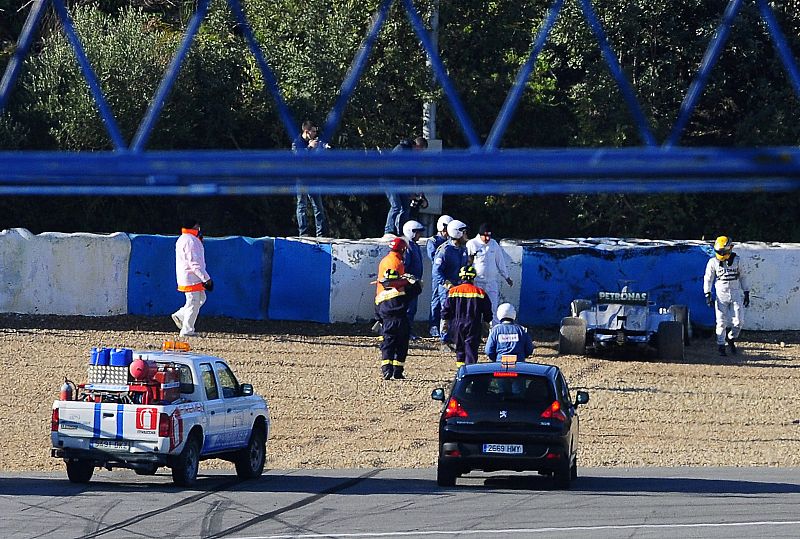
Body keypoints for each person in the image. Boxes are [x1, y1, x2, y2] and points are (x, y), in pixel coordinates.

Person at [704, 236, 750, 356]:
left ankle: (731, 337)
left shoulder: (738, 260)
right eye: (719, 251)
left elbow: (743, 276)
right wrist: (707, 293)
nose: (721, 254)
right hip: (720, 293)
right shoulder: (713, 262)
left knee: (739, 322)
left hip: (735, 292)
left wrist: (746, 292)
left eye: (723, 251)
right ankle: (721, 345)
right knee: (721, 322)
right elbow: (708, 279)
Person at [441, 265, 493, 368]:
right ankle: (471, 373)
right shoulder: (480, 292)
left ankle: (461, 373)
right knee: (471, 349)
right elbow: (487, 310)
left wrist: (445, 322)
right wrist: (487, 322)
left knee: (460, 349)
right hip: (474, 324)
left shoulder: (453, 291)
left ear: (461, 277)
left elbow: (446, 309)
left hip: (457, 324)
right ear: (473, 277)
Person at [375, 268, 422, 380]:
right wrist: (412, 280)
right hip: (402, 321)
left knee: (387, 346)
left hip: (387, 323)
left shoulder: (379, 297)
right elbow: (417, 290)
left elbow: (377, 315)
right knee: (401, 346)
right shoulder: (402, 292)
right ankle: (398, 371)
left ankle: (387, 370)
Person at [171, 218, 213, 338]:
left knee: (200, 298)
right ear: (193, 227)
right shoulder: (191, 241)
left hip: (190, 276)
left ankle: (180, 315)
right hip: (192, 277)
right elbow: (194, 263)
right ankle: (187, 330)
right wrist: (206, 278)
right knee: (193, 302)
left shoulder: (184, 239)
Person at [466, 223, 514, 326]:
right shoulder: (472, 244)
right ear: (480, 234)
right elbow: (467, 263)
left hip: (491, 282)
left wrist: (506, 277)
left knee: (493, 307)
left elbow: (500, 261)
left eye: (489, 235)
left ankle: (494, 331)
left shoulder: (494, 244)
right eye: (485, 235)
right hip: (477, 282)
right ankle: (475, 330)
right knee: (475, 307)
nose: (487, 238)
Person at [383, 137, 428, 239]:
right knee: (396, 206)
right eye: (421, 151)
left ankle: (401, 232)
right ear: (417, 146)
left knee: (406, 208)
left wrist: (421, 194)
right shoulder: (401, 149)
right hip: (390, 181)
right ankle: (388, 231)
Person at [432, 219, 469, 342]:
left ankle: (456, 337)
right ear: (457, 233)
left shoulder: (463, 249)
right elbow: (436, 271)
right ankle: (445, 339)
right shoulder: (444, 250)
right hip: (447, 289)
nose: (466, 235)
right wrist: (445, 283)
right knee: (446, 313)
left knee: (458, 314)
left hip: (460, 288)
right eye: (464, 232)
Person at [292, 120, 328, 237]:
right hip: (301, 178)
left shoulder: (314, 142)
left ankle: (321, 234)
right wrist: (309, 147)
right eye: (313, 132)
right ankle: (303, 234)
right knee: (301, 206)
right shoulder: (297, 143)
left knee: (318, 207)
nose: (314, 134)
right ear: (306, 131)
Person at [427, 214, 452, 337]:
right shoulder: (433, 241)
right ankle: (433, 325)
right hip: (438, 275)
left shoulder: (450, 242)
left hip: (448, 275)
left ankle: (444, 327)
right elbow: (433, 258)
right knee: (435, 301)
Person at [401, 220, 426, 340]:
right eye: (417, 232)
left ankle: (408, 330)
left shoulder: (415, 245)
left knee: (413, 309)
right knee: (408, 309)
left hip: (415, 282)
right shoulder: (407, 246)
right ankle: (405, 332)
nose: (420, 235)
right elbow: (405, 266)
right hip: (409, 284)